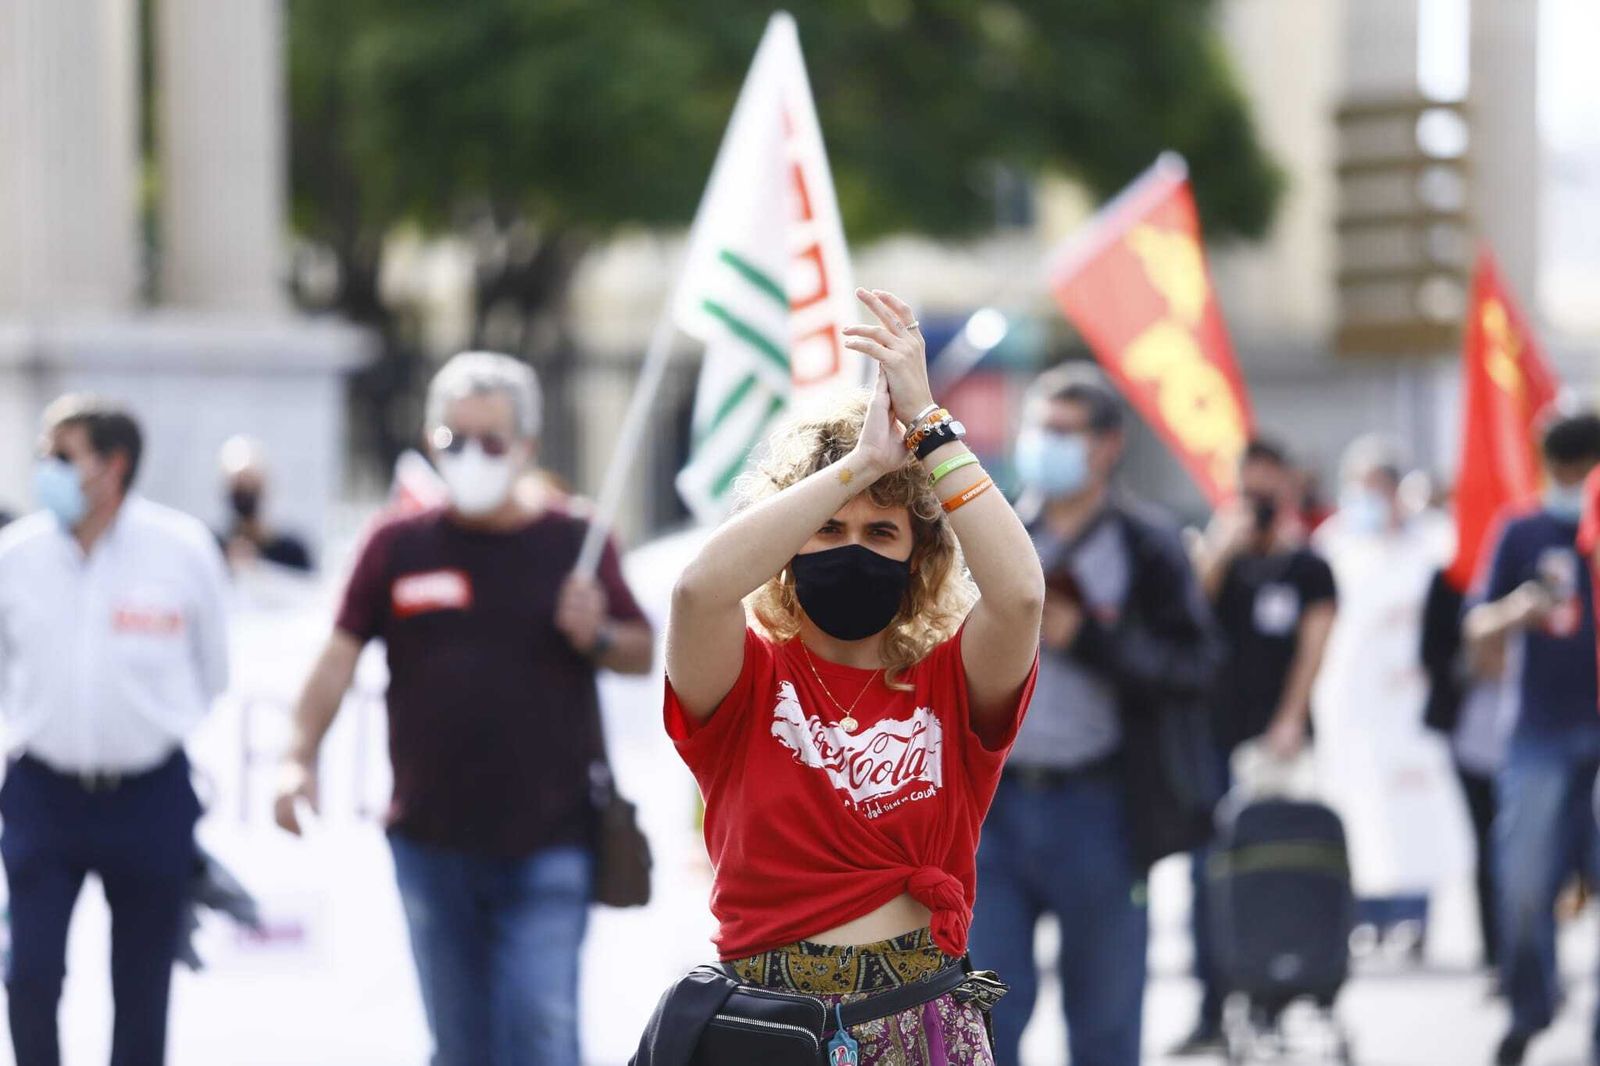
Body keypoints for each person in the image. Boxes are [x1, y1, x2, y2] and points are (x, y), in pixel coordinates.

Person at [662, 289, 1042, 1064]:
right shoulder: (746, 680)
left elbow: (1022, 594)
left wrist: (930, 425)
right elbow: (698, 590)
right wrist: (860, 467)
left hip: (925, 1022)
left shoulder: (949, 681)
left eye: (881, 531)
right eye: (827, 530)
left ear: (920, 555)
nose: (852, 546)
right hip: (769, 1030)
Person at [273, 351, 654, 1066]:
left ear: (526, 448)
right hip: (431, 842)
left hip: (552, 840)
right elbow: (337, 656)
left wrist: (595, 632)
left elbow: (640, 650)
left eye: (492, 441)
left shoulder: (574, 539)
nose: (471, 456)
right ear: (429, 438)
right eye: (455, 440)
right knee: (460, 1046)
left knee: (541, 1031)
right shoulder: (396, 543)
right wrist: (297, 759)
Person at [968, 363, 1220, 1066]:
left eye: (1062, 431)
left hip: (1101, 809)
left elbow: (1196, 669)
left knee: (1106, 1020)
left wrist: (1091, 639)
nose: (1042, 444)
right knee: (985, 1019)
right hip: (994, 811)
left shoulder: (1147, 545)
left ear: (1107, 445)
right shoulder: (991, 533)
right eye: (1036, 428)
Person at [0, 395, 230, 1066]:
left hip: (148, 794)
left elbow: (213, 670)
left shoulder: (181, 551)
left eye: (64, 457)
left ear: (114, 465)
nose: (48, 471)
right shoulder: (15, 557)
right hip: (45, 791)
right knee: (30, 973)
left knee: (142, 983)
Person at [1171, 437, 1338, 1054]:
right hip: (1210, 741)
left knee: (1276, 869)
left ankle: (1274, 995)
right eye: (1250, 490)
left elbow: (1314, 647)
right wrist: (1222, 549)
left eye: (1269, 492)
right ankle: (1211, 1005)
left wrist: (1291, 720)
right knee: (1206, 874)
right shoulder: (1219, 555)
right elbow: (1185, 614)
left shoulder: (1309, 567)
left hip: (1275, 747)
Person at [1464, 412, 1600, 1066]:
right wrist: (1518, 610)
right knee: (1520, 881)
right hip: (1540, 731)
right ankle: (1531, 1004)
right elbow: (1475, 625)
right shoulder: (1522, 529)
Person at [1311, 436, 1468, 959]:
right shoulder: (1334, 543)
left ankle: (1415, 917)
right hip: (1350, 705)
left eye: (1376, 486)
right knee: (1358, 811)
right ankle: (1366, 917)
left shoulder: (1433, 542)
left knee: (1418, 812)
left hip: (1412, 704)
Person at [216, 435, 314, 572]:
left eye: (250, 485)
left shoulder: (292, 551)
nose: (244, 493)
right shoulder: (215, 548)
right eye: (238, 486)